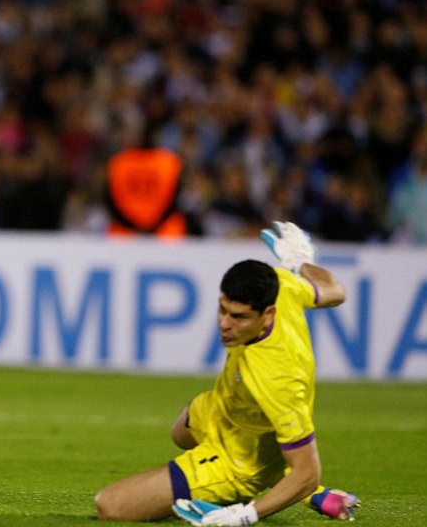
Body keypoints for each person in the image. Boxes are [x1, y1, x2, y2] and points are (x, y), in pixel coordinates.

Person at [94, 221, 360, 525]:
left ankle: (244, 487)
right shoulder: (281, 285)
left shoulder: (279, 381)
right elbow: (334, 291)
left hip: (236, 461)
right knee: (180, 431)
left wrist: (245, 516)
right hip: (224, 409)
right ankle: (276, 477)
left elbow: (309, 472)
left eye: (238, 317)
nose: (224, 324)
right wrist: (300, 261)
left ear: (267, 314)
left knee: (110, 506)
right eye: (222, 309)